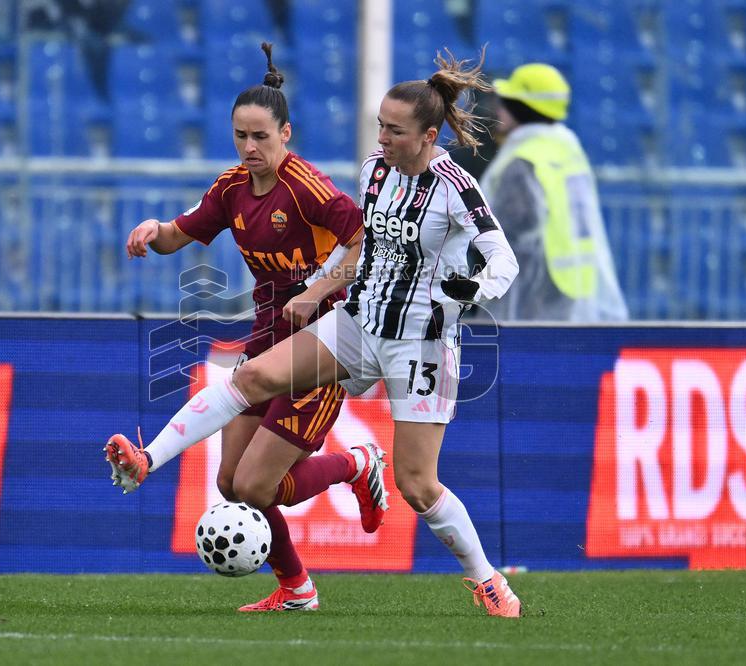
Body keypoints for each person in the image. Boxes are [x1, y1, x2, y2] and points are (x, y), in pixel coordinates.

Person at [109, 49, 525, 618]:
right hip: (357, 323)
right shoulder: (372, 172)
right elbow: (366, 250)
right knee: (251, 378)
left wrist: (466, 292)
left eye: (394, 130)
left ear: (429, 136)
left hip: (420, 342)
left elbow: (502, 261)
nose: (381, 139)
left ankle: (488, 581)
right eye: (379, 125)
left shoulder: (455, 187)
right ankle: (148, 461)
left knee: (419, 486)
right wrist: (325, 288)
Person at [106, 43, 389, 613]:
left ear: (287, 133)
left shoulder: (307, 187)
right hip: (268, 331)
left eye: (261, 135)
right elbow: (177, 235)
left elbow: (367, 241)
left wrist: (316, 291)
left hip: (326, 337)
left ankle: (359, 463)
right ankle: (297, 589)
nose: (250, 147)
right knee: (232, 484)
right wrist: (151, 230)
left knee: (258, 488)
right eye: (241, 135)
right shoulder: (232, 187)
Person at [477, 63, 628, 322]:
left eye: (506, 102)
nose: (498, 109)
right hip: (572, 279)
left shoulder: (524, 158)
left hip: (534, 286)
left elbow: (508, 230)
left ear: (520, 107)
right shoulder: (566, 147)